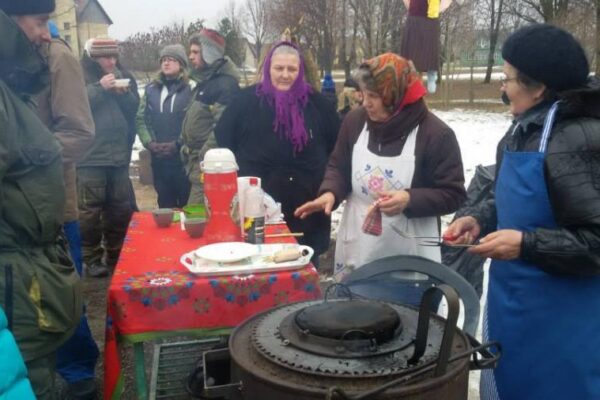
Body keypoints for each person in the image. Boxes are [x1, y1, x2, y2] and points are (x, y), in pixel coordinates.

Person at [443, 24, 600, 400]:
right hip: (514, 303)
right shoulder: (525, 127)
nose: (501, 86)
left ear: (539, 86)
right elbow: (513, 195)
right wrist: (479, 218)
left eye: (507, 77)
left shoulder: (575, 140)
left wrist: (526, 244)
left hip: (562, 320)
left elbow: (595, 242)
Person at [295, 53, 466, 280]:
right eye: (364, 94)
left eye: (374, 95)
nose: (366, 102)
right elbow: (338, 165)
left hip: (409, 263)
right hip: (357, 248)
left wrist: (409, 199)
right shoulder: (355, 122)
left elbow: (453, 194)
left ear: (396, 95)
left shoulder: (435, 134)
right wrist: (330, 192)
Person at [0, 1, 82, 398]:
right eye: (38, 22)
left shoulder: (12, 87)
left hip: (26, 270)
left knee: (35, 374)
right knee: (26, 377)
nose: (45, 33)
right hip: (13, 278)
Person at [216, 41, 340, 266]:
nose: (285, 75)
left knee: (305, 269)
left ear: (300, 71)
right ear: (268, 69)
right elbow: (225, 140)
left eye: (292, 69)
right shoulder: (244, 103)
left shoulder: (319, 105)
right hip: (258, 208)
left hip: (307, 208)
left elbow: (336, 148)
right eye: (279, 68)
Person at [35, 22, 99, 400]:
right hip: (12, 209)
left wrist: (17, 158)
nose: (40, 32)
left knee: (60, 292)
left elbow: (78, 134)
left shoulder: (56, 55)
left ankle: (77, 374)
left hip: (53, 204)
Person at [79, 37, 140, 277]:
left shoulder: (121, 74)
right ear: (94, 57)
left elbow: (134, 107)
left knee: (119, 209)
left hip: (118, 156)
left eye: (114, 57)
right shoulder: (80, 74)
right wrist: (99, 88)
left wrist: (124, 94)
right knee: (89, 212)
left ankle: (116, 254)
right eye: (106, 57)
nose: (112, 61)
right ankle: (91, 259)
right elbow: (74, 105)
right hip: (90, 156)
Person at [180, 28, 240, 205]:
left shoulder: (225, 85)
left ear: (210, 54)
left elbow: (223, 129)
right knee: (193, 219)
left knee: (196, 218)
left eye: (196, 52)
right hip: (194, 166)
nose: (190, 57)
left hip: (209, 169)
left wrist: (205, 158)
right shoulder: (205, 83)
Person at [138, 44, 192, 208]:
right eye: (163, 60)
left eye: (171, 60)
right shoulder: (150, 90)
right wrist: (149, 143)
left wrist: (178, 144)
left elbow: (195, 123)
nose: (166, 63)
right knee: (165, 206)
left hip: (183, 159)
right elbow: (140, 118)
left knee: (187, 206)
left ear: (181, 64)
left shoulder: (191, 89)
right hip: (159, 158)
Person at [400, 0, 454, 93]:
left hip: (430, 15)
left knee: (430, 47)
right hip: (414, 13)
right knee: (411, 50)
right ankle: (407, 76)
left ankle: (431, 74)